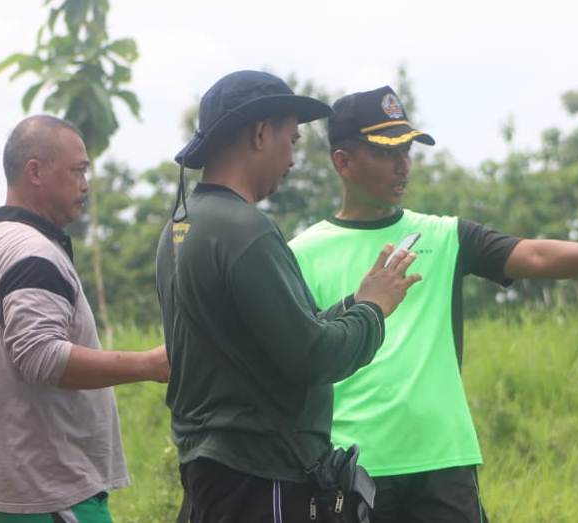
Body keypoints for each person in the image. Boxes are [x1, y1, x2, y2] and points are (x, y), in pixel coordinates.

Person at [288, 86, 578, 523]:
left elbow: (531, 255)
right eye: (386, 153)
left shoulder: (444, 236)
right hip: (352, 469)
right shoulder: (300, 254)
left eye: (407, 150)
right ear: (343, 162)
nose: (403, 165)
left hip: (443, 460)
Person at [155, 71, 421, 522]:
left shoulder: (181, 228)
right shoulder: (246, 231)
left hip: (211, 471)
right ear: (260, 133)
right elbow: (313, 357)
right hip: (261, 477)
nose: (294, 158)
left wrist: (354, 303)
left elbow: (266, 339)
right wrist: (375, 310)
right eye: (292, 141)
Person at [0, 115, 170, 522]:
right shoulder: (30, 252)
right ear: (34, 171)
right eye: (78, 170)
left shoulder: (0, 242)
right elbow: (42, 356)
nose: (86, 184)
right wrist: (151, 364)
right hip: (47, 491)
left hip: (20, 487)